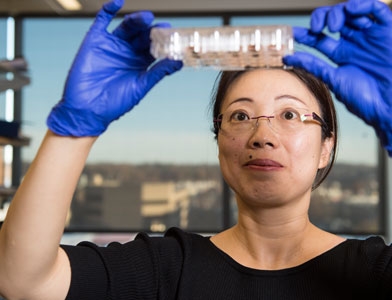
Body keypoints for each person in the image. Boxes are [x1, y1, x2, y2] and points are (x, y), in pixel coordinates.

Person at [0, 0, 391, 299]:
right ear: (218, 140)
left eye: (289, 114)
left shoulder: (375, 272)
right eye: (240, 116)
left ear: (327, 147)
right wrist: (73, 130)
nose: (262, 135)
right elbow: (22, 281)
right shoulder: (164, 268)